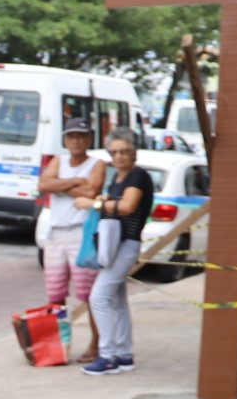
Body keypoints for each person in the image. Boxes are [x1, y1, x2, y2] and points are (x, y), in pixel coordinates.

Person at [82, 130, 153, 377]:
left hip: (126, 244)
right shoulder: (119, 178)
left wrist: (95, 203)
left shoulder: (138, 176)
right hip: (117, 244)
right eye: (115, 152)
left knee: (99, 298)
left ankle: (108, 354)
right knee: (117, 300)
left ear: (134, 152)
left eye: (124, 151)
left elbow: (127, 206)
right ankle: (123, 354)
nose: (120, 156)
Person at [37, 118, 106, 361]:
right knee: (55, 294)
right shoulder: (59, 160)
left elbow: (92, 191)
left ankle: (96, 344)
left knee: (89, 294)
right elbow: (43, 184)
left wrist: (58, 186)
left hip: (81, 232)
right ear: (65, 139)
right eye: (71, 135)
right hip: (56, 232)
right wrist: (76, 182)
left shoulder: (97, 164)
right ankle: (57, 346)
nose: (76, 140)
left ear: (89, 138)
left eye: (81, 135)